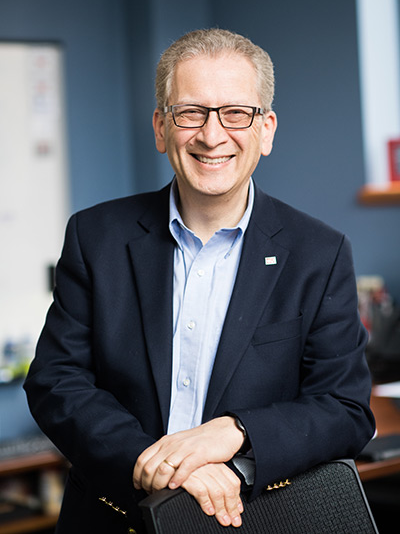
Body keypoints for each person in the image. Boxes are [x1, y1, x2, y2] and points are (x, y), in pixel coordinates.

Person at [24, 28, 375, 533]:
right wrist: (157, 463)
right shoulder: (95, 236)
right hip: (110, 518)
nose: (212, 135)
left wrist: (234, 434)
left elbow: (344, 409)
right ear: (161, 127)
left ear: (267, 129)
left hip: (247, 519)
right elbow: (57, 382)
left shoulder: (319, 252)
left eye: (236, 113)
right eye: (191, 113)